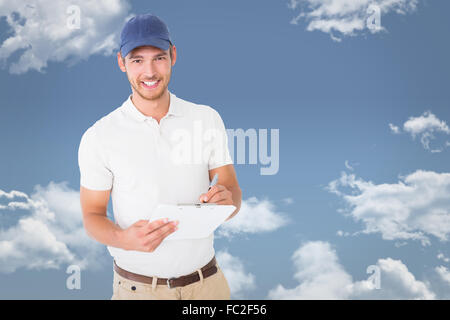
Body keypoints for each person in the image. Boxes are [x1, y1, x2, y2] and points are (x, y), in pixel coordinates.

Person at [78, 13, 242, 300]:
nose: (150, 72)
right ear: (121, 63)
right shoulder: (99, 136)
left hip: (208, 286)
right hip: (139, 291)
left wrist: (226, 201)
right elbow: (92, 215)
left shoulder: (206, 118)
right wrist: (122, 239)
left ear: (173, 55)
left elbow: (232, 192)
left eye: (158, 57)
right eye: (137, 60)